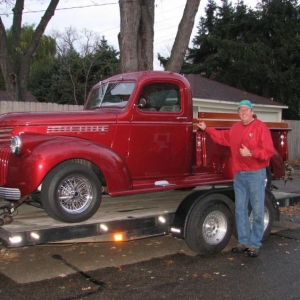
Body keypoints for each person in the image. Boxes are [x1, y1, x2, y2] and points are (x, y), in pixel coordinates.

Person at [197, 100, 274, 258]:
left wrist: (251, 153)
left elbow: (268, 151)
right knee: (240, 210)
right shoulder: (236, 128)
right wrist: (207, 129)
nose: (243, 113)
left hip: (256, 174)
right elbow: (222, 137)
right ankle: (243, 241)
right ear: (238, 113)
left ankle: (254, 244)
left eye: (246, 110)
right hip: (239, 175)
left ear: (252, 111)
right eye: (240, 111)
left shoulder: (260, 127)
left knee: (258, 211)